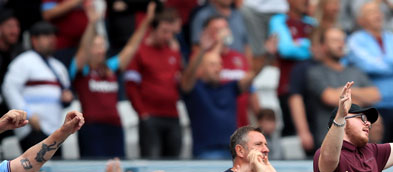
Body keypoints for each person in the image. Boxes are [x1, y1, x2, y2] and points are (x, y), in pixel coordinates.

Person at [70, 2, 154, 158]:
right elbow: (83, 49)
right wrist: (92, 24)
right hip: (92, 128)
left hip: (115, 127)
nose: (101, 50)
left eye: (103, 46)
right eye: (97, 46)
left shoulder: (110, 67)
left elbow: (130, 47)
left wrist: (147, 21)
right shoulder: (82, 69)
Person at [180, 27, 274, 158]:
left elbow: (253, 74)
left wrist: (267, 55)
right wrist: (201, 50)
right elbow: (187, 77)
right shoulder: (195, 89)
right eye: (212, 65)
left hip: (233, 152)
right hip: (206, 153)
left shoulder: (229, 87)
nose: (218, 68)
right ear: (201, 69)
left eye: (219, 64)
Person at [347, 1, 393, 143]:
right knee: (378, 156)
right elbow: (369, 66)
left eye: (378, 11)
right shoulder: (355, 40)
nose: (378, 15)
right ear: (361, 20)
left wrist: (381, 59)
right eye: (371, 13)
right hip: (374, 108)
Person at [2, 21, 74, 153]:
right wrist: (26, 114)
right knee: (35, 171)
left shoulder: (59, 67)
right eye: (46, 35)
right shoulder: (23, 61)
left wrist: (67, 99)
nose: (52, 39)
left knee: (55, 171)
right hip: (33, 128)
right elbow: (9, 88)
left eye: (53, 35)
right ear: (34, 40)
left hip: (56, 131)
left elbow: (66, 96)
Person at [307, 27, 380, 149]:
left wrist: (344, 92)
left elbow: (375, 95)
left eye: (343, 40)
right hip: (329, 141)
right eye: (335, 41)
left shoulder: (356, 70)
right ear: (323, 46)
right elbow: (329, 97)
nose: (341, 44)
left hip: (359, 141)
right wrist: (361, 99)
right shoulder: (315, 72)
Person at [125, 9, 184, 158]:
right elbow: (131, 86)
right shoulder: (140, 52)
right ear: (152, 29)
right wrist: (142, 113)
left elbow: (179, 80)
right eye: (164, 31)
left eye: (171, 32)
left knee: (175, 163)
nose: (168, 36)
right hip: (150, 116)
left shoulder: (173, 51)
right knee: (152, 163)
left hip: (173, 115)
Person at [269, 0, 316, 137]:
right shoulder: (278, 20)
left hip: (312, 87)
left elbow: (320, 51)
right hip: (287, 87)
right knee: (292, 137)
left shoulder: (312, 23)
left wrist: (299, 44)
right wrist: (308, 46)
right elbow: (285, 49)